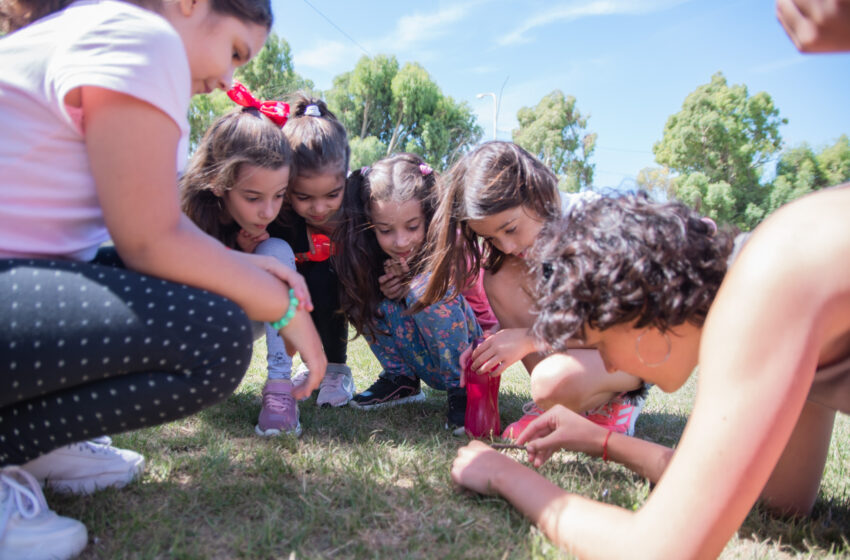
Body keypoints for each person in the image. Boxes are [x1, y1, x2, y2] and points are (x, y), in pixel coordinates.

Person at [0, 1, 326, 559]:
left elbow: (147, 231)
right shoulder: (141, 36)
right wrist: (288, 311)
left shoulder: (106, 32)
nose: (229, 78)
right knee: (216, 335)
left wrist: (244, 268)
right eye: (234, 51)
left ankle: (31, 444)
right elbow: (149, 240)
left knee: (218, 294)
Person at [452, 187, 850, 558]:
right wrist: (602, 441)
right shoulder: (772, 292)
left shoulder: (768, 287)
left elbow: (660, 549)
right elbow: (778, 500)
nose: (609, 366)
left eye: (601, 344)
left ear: (637, 310)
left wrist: (504, 475)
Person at [418, 141, 646, 439]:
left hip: (632, 351)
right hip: (580, 349)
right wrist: (492, 341)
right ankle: (559, 404)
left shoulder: (594, 226)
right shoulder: (521, 250)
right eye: (491, 238)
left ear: (536, 192)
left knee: (550, 382)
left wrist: (528, 339)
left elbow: (617, 329)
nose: (506, 246)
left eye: (510, 228)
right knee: (499, 275)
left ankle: (618, 402)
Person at [181, 84, 319, 437]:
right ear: (217, 182)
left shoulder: (276, 219)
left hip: (245, 314)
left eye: (279, 195)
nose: (268, 211)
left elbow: (285, 295)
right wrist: (237, 256)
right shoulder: (188, 209)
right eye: (253, 197)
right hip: (190, 322)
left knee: (276, 250)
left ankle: (279, 389)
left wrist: (251, 256)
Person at [333, 154, 486, 433]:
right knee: (362, 292)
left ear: (429, 215)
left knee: (425, 290)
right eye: (385, 230)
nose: (400, 241)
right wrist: (392, 293)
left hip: (472, 357)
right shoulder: (373, 252)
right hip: (426, 356)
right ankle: (401, 379)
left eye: (412, 227)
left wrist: (411, 288)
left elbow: (478, 313)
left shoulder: (454, 243)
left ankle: (463, 391)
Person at [266, 94, 357, 408]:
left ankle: (336, 369)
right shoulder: (277, 212)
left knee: (324, 279)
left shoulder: (358, 206)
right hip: (296, 289)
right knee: (300, 285)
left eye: (332, 195)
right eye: (304, 197)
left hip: (343, 289)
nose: (319, 209)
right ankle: (307, 364)